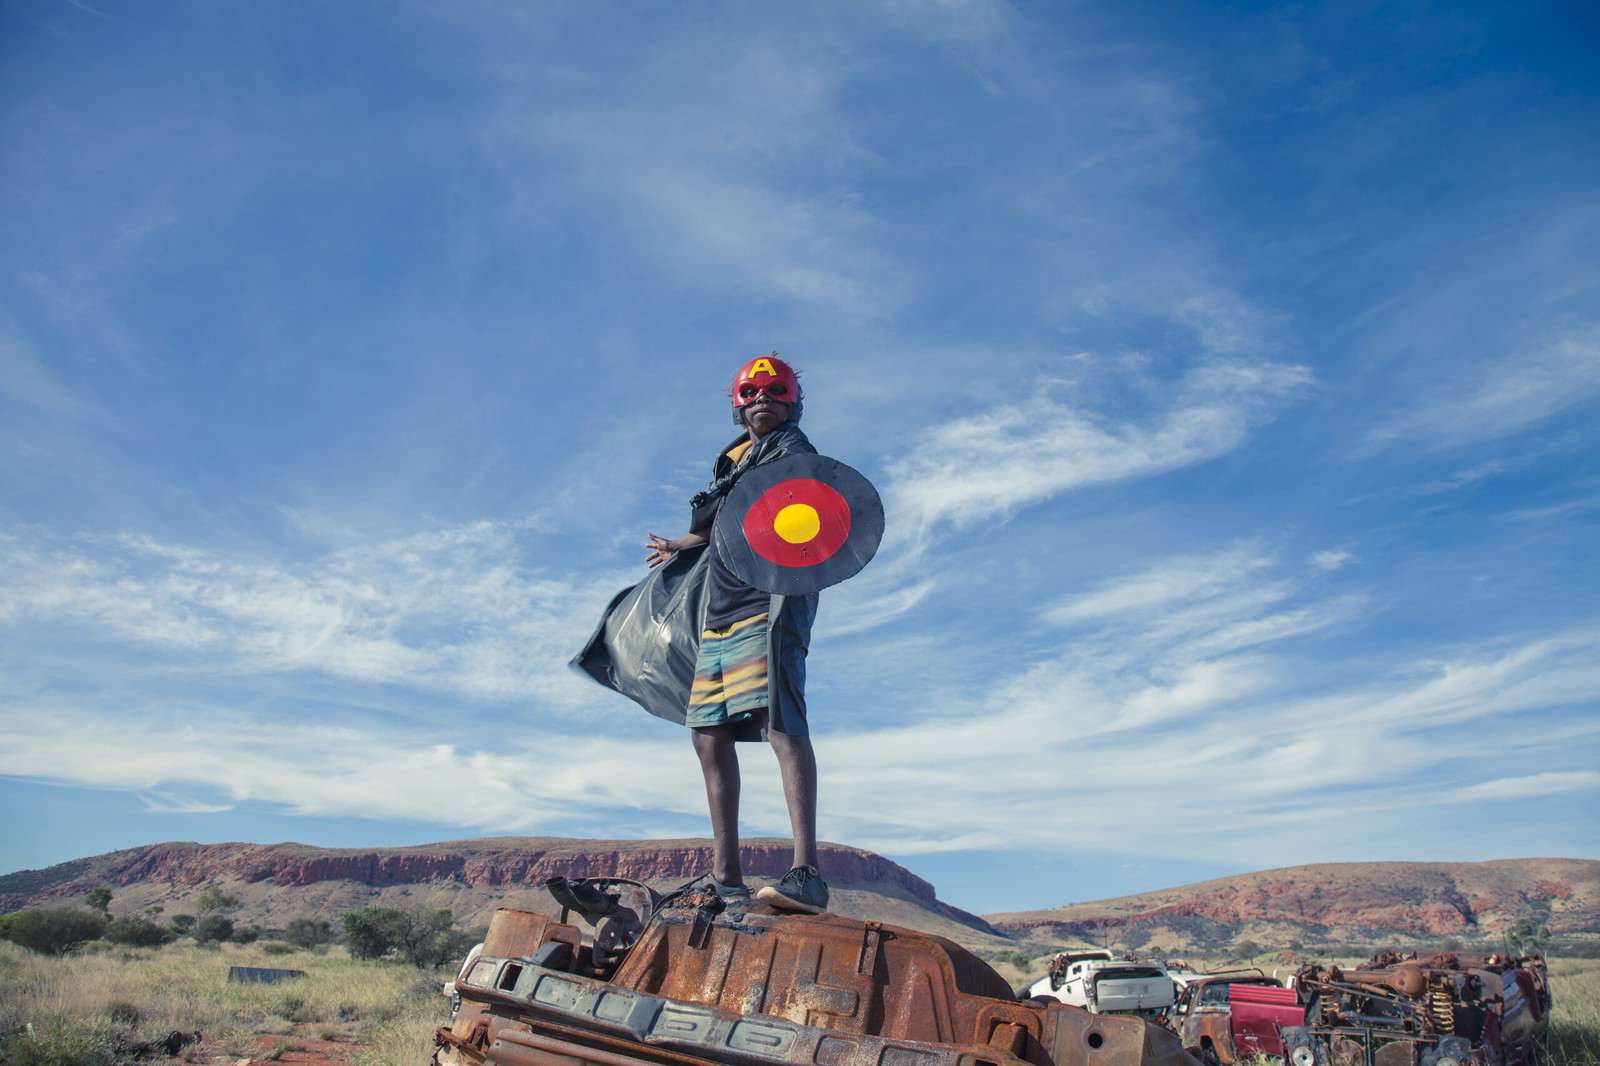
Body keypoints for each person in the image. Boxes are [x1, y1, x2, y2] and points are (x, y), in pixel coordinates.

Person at [638, 354, 828, 913]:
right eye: (751, 392)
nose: (762, 399)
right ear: (737, 404)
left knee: (779, 721)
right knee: (707, 732)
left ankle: (807, 873)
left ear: (792, 400)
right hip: (721, 610)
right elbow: (731, 520)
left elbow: (808, 518)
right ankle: (727, 878)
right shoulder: (733, 462)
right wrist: (679, 544)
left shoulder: (795, 453)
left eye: (774, 390)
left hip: (769, 603)